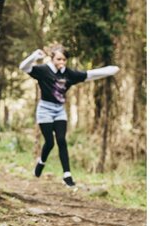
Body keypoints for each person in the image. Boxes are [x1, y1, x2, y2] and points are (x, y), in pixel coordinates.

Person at [19, 44, 118, 186]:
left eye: (64, 60)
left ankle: (67, 175)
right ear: (52, 58)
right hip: (45, 110)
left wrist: (110, 71)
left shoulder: (68, 74)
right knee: (49, 142)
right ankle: (41, 162)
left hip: (59, 110)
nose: (62, 62)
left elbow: (89, 75)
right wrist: (35, 56)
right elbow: (23, 67)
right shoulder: (43, 71)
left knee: (61, 140)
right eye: (59, 59)